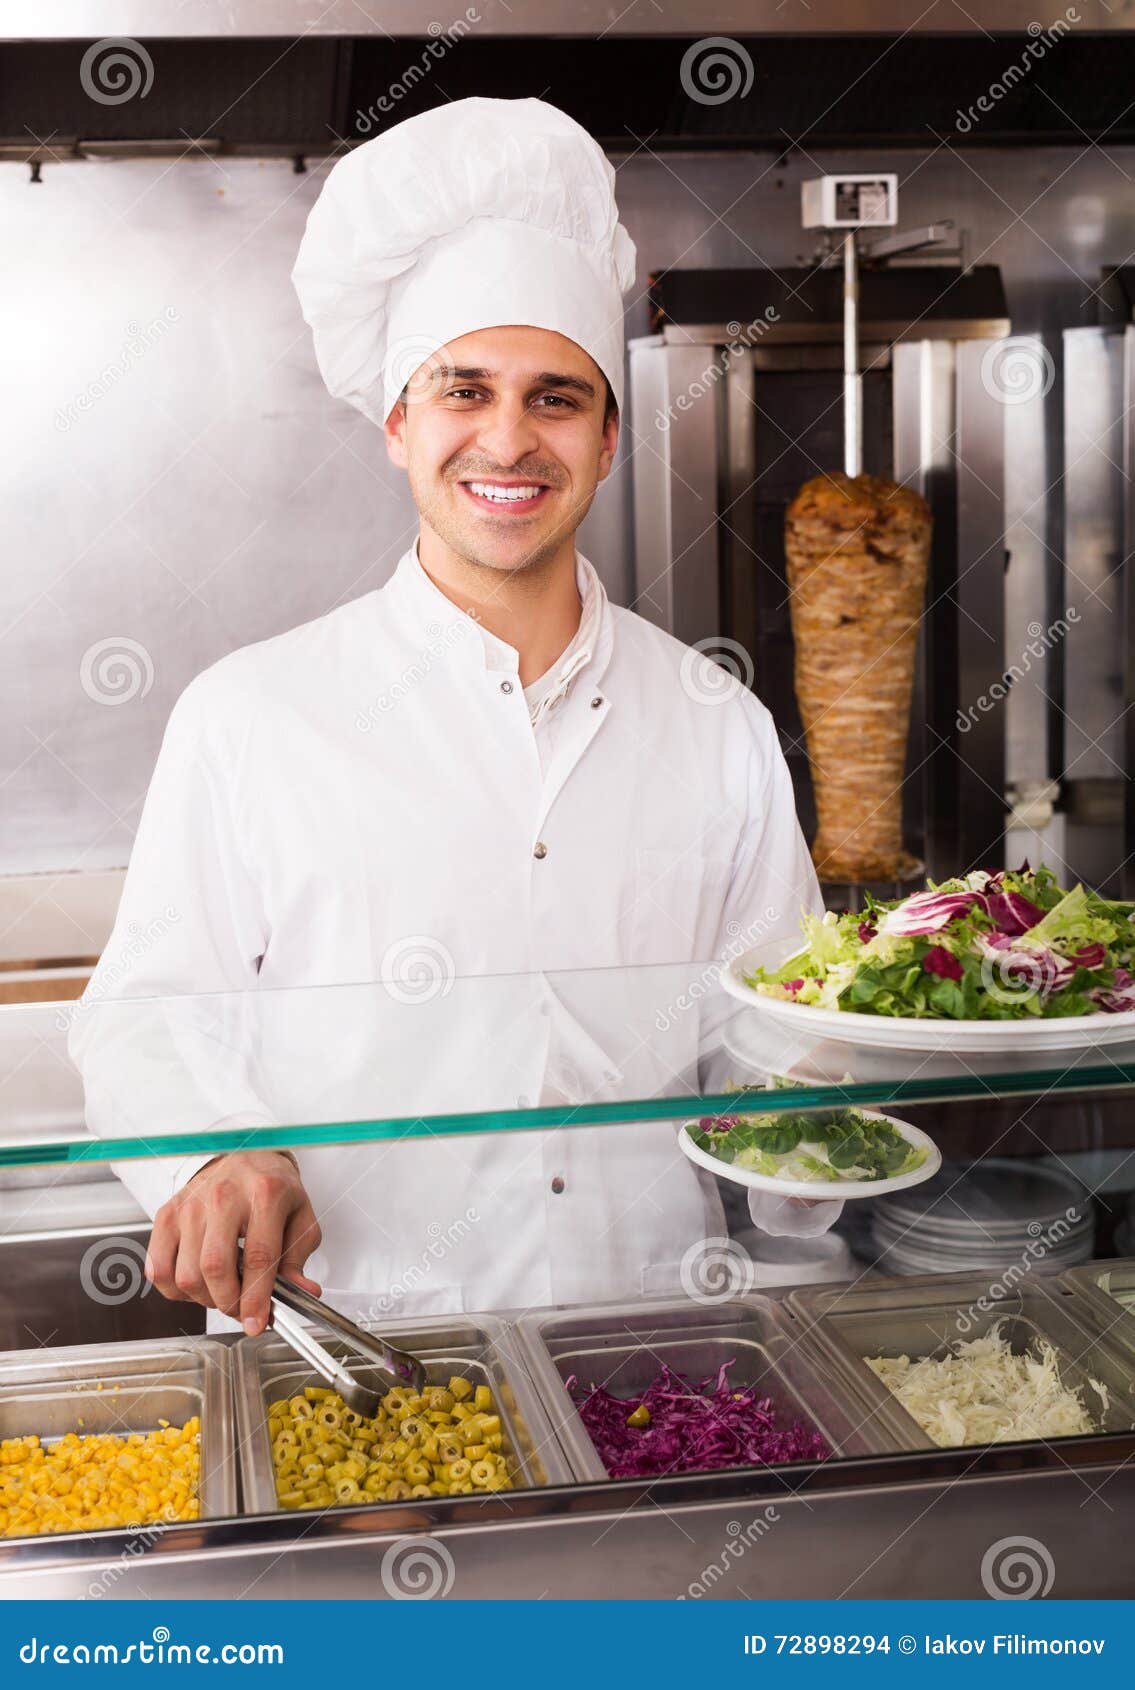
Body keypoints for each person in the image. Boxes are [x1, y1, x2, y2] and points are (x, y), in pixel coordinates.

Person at [70, 97, 841, 1337]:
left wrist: (870, 1065)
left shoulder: (713, 724)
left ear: (606, 441)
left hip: (646, 1351)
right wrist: (208, 1161)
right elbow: (149, 1011)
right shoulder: (256, 718)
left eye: (554, 399)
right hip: (356, 1353)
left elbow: (773, 1046)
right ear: (396, 424)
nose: (507, 438)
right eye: (463, 389)